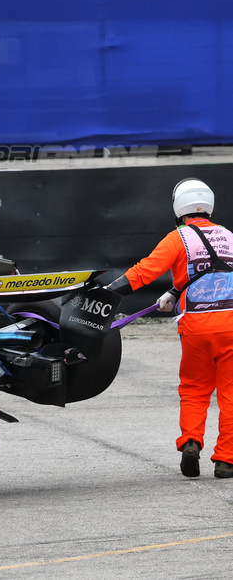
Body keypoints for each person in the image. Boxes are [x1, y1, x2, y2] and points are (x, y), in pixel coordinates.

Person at [106, 179, 233, 479]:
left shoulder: (179, 238)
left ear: (179, 206)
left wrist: (108, 291)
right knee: (230, 393)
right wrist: (177, 292)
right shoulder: (229, 236)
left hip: (196, 327)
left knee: (194, 388)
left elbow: (144, 272)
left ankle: (191, 443)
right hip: (231, 323)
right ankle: (226, 460)